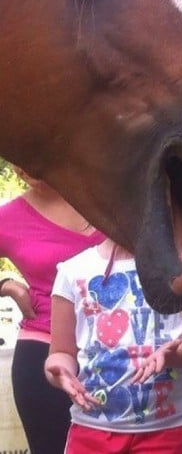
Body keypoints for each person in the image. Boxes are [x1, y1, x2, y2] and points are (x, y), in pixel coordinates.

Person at [43, 236, 182, 453]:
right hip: (92, 430)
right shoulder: (72, 271)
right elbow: (61, 351)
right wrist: (61, 372)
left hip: (170, 429)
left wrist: (174, 354)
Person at [0, 167, 105, 454]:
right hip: (43, 351)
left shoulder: (110, 193)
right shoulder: (8, 218)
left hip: (119, 352)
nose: (22, 165)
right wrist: (7, 285)